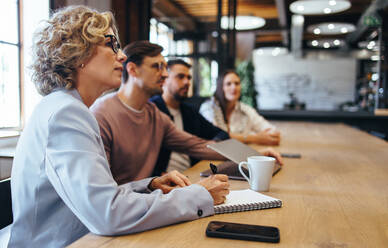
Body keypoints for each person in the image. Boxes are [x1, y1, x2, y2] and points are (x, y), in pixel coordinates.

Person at [3, 6, 229, 248]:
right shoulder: (66, 113)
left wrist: (148, 185)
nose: (122, 55)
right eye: (111, 44)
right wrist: (197, 195)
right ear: (77, 52)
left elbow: (98, 198)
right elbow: (107, 214)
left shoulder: (63, 107)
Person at [91, 41, 234, 184]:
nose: (165, 74)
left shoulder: (155, 115)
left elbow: (197, 146)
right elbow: (102, 194)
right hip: (122, 203)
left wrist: (250, 156)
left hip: (146, 200)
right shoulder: (101, 114)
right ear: (133, 70)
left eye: (165, 67)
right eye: (157, 67)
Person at [150, 59, 229, 173]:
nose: (187, 82)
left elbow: (221, 133)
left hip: (193, 172)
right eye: (180, 77)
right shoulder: (153, 110)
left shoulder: (189, 111)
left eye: (189, 78)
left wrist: (213, 144)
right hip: (163, 180)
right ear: (165, 79)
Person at [199, 70, 281, 146]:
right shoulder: (208, 108)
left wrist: (266, 136)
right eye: (228, 84)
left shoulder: (246, 109)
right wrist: (255, 138)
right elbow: (218, 137)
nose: (233, 87)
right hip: (211, 158)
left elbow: (274, 132)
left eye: (237, 83)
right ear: (221, 87)